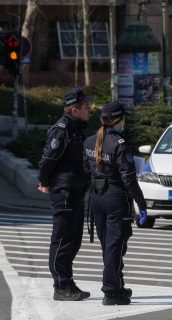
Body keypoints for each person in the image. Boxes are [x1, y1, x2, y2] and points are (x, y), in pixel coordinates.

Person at [83, 101, 148, 306]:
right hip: (115, 198)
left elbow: (86, 170)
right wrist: (142, 205)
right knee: (116, 246)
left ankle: (117, 285)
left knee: (108, 245)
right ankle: (111, 291)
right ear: (119, 120)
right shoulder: (119, 144)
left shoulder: (89, 141)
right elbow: (129, 178)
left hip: (97, 196)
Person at [38, 88, 93, 301]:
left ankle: (68, 282)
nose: (90, 109)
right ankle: (60, 286)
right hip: (65, 192)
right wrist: (45, 181)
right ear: (74, 109)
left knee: (74, 240)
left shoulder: (75, 128)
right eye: (86, 106)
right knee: (62, 239)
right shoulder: (62, 130)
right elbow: (47, 160)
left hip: (76, 191)